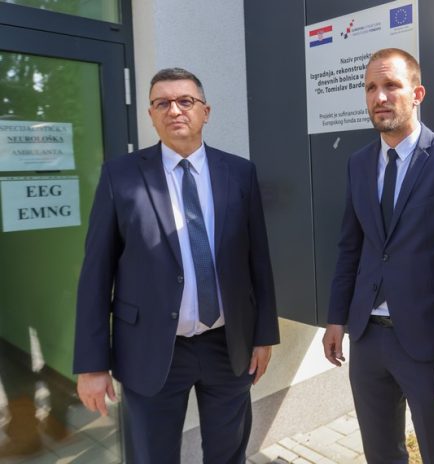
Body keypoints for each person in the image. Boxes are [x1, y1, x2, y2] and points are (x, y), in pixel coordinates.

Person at [73, 67, 279, 463]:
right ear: (150, 115)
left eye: (185, 101)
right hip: (150, 348)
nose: (174, 110)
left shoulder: (239, 173)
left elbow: (258, 260)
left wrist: (263, 336)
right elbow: (96, 274)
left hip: (228, 346)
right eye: (162, 103)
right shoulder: (120, 176)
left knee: (228, 454)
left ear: (205, 111)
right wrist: (92, 365)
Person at [322, 48, 434, 463]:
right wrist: (336, 317)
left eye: (391, 85)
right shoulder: (359, 163)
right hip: (367, 339)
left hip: (429, 344)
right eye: (371, 88)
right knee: (380, 452)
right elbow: (350, 248)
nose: (379, 97)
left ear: (417, 93)